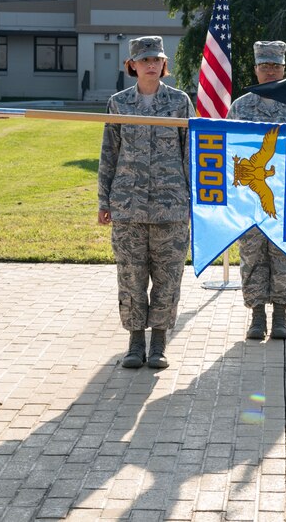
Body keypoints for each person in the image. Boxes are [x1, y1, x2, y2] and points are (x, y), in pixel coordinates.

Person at [98, 36, 194, 370]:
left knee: (168, 276)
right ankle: (135, 342)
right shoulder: (119, 103)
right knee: (131, 276)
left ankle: (159, 343)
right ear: (133, 65)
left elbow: (189, 154)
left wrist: (193, 201)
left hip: (171, 206)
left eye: (157, 59)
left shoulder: (180, 103)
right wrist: (103, 199)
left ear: (163, 65)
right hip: (128, 206)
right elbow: (109, 152)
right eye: (145, 60)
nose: (151, 64)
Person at [227, 41, 286, 341]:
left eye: (275, 66)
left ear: (283, 69)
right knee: (252, 255)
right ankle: (256, 315)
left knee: (284, 254)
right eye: (264, 66)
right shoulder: (240, 107)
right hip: (249, 197)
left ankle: (280, 314)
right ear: (255, 69)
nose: (270, 71)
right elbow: (227, 151)